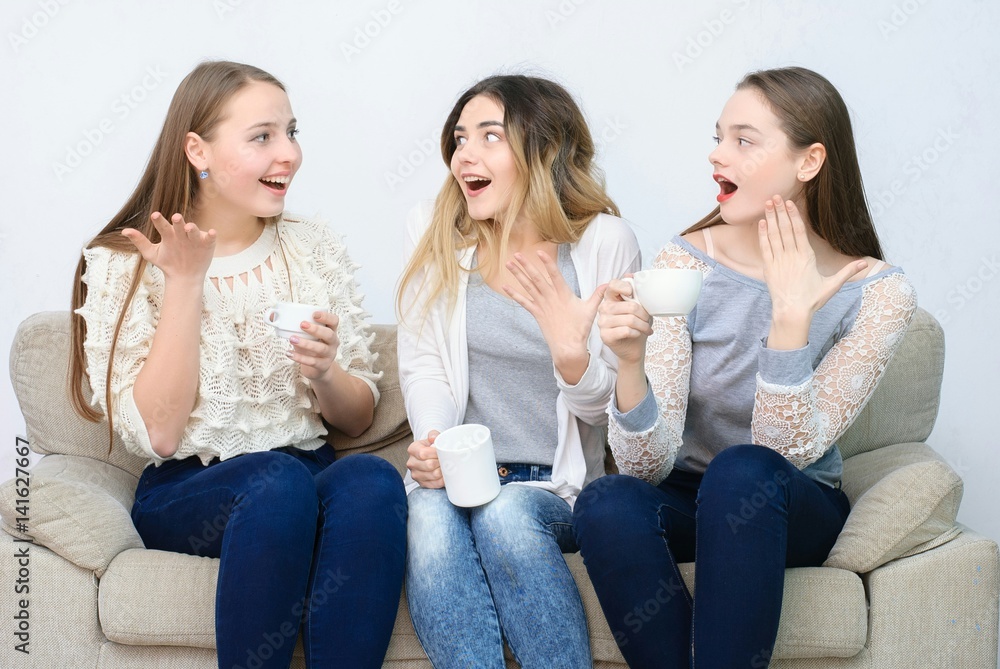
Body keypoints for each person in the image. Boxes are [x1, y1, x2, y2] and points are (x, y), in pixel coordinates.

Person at [573, 66, 917, 668]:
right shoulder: (683, 262)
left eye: (743, 140)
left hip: (789, 498)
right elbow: (647, 464)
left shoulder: (877, 292)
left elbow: (786, 450)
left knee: (743, 472)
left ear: (809, 161)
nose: (716, 156)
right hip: (690, 492)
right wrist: (630, 366)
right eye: (717, 137)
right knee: (606, 502)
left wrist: (790, 317)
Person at [68, 60, 406, 669]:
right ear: (197, 149)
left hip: (305, 470)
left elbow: (355, 422)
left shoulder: (312, 246)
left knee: (371, 481)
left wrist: (327, 372)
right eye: (262, 137)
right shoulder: (126, 260)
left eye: (292, 132)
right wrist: (185, 282)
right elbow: (162, 434)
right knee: (274, 484)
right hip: (190, 489)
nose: (290, 154)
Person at [396, 74, 641, 668]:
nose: (465, 156)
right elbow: (425, 364)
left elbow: (613, 416)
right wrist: (431, 440)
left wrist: (569, 355)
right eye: (459, 139)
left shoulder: (602, 244)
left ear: (544, 151)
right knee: (423, 514)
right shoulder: (440, 245)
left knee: (505, 512)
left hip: (553, 488)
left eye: (489, 136)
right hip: (461, 473)